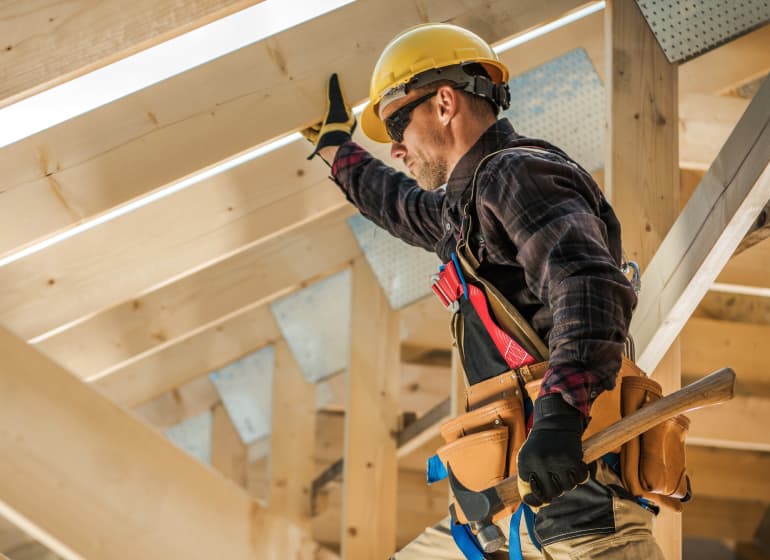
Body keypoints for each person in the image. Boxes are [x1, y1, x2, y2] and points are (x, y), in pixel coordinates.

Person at [302, 23, 667, 560]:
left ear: (445, 102)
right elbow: (397, 205)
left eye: (398, 123)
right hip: (501, 526)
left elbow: (586, 285)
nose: (397, 147)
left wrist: (561, 415)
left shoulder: (516, 174)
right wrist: (337, 147)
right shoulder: (465, 208)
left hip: (586, 525)